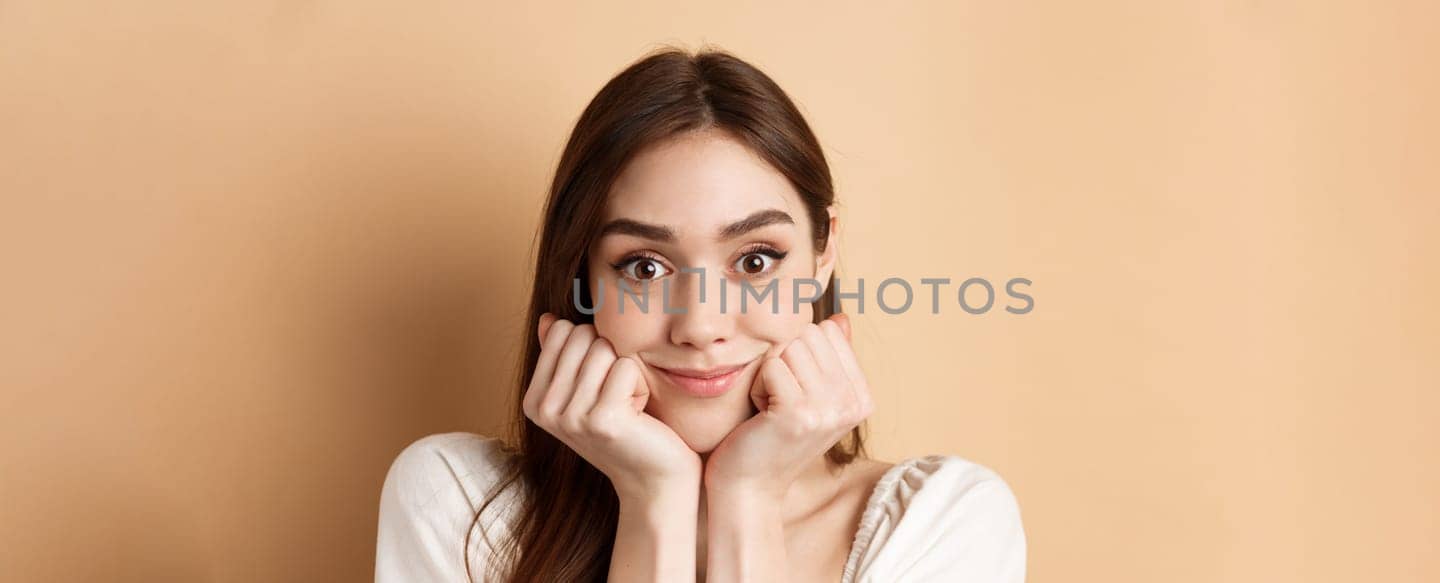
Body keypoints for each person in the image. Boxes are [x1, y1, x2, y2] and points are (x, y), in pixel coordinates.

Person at [375, 47, 1026, 582]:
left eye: (755, 259)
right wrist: (654, 500)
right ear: (582, 277)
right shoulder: (459, 507)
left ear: (823, 254)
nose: (701, 326)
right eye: (645, 267)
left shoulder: (946, 523)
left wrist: (747, 498)